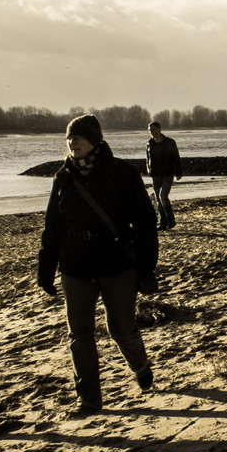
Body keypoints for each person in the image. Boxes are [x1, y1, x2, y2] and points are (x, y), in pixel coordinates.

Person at [37, 114, 158, 414]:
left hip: (116, 266)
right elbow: (52, 226)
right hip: (75, 269)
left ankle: (140, 366)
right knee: (79, 336)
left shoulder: (122, 173)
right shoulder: (63, 179)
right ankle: (88, 398)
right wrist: (45, 268)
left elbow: (145, 221)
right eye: (69, 138)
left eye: (78, 137)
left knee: (121, 328)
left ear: (95, 140)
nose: (72, 143)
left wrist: (146, 265)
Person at [146, 121, 181, 230]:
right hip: (155, 174)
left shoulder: (169, 142)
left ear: (159, 129)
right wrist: (149, 169)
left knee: (163, 196)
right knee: (157, 198)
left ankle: (171, 220)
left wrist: (179, 172)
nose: (152, 132)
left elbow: (176, 157)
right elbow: (148, 158)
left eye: (153, 130)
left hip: (167, 173)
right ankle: (163, 222)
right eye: (150, 131)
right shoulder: (150, 143)